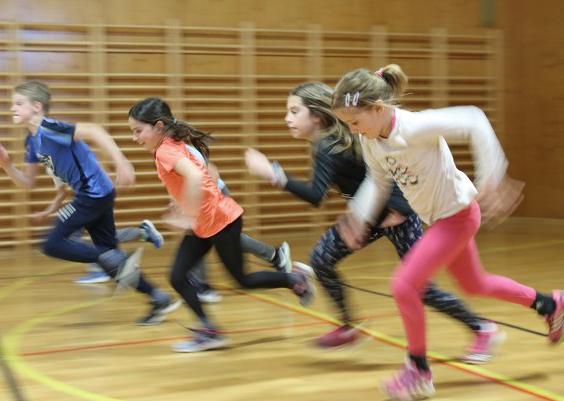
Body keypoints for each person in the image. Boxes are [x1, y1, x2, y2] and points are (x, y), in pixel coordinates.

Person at [331, 65, 564, 401]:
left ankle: (418, 371)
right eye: (347, 123)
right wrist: (358, 216)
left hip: (456, 218)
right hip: (442, 219)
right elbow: (378, 180)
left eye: (354, 121)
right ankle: (551, 304)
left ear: (378, 108)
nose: (352, 129)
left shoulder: (414, 126)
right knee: (475, 284)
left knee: (403, 285)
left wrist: (492, 176)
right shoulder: (371, 141)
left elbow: (474, 119)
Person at [245, 82, 501, 364]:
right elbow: (375, 177)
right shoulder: (334, 139)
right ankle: (349, 326)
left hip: (398, 215)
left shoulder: (329, 146)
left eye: (294, 111)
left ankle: (481, 328)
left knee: (418, 287)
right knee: (321, 258)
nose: (287, 119)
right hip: (372, 217)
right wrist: (359, 219)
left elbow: (319, 195)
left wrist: (274, 174)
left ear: (316, 115)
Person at [127, 97, 316, 353]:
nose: (135, 137)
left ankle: (295, 280)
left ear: (158, 126)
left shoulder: (165, 150)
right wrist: (181, 205)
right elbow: (203, 173)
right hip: (204, 222)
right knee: (177, 276)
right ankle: (209, 331)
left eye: (138, 131)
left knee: (242, 280)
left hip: (220, 221)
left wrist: (186, 213)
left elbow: (195, 176)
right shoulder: (172, 143)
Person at [0, 80, 180, 325]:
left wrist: (120, 160)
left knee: (52, 244)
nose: (12, 109)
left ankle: (113, 260)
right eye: (11, 104)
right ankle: (158, 298)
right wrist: (6, 166)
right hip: (95, 195)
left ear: (37, 106)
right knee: (111, 259)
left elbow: (94, 131)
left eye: (18, 103)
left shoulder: (50, 128)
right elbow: (28, 182)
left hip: (92, 194)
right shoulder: (32, 141)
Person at [183, 143, 293, 304]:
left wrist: (196, 201)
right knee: (219, 238)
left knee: (198, 233)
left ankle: (202, 286)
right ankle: (275, 255)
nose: (136, 137)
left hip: (213, 196)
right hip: (207, 197)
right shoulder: (166, 150)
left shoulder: (178, 148)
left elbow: (211, 172)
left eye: (139, 131)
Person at [33, 170, 166, 284]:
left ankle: (108, 263)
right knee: (101, 238)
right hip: (83, 200)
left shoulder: (65, 149)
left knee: (74, 239)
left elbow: (95, 170)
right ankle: (142, 234)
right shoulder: (49, 163)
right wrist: (47, 212)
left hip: (94, 198)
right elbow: (61, 193)